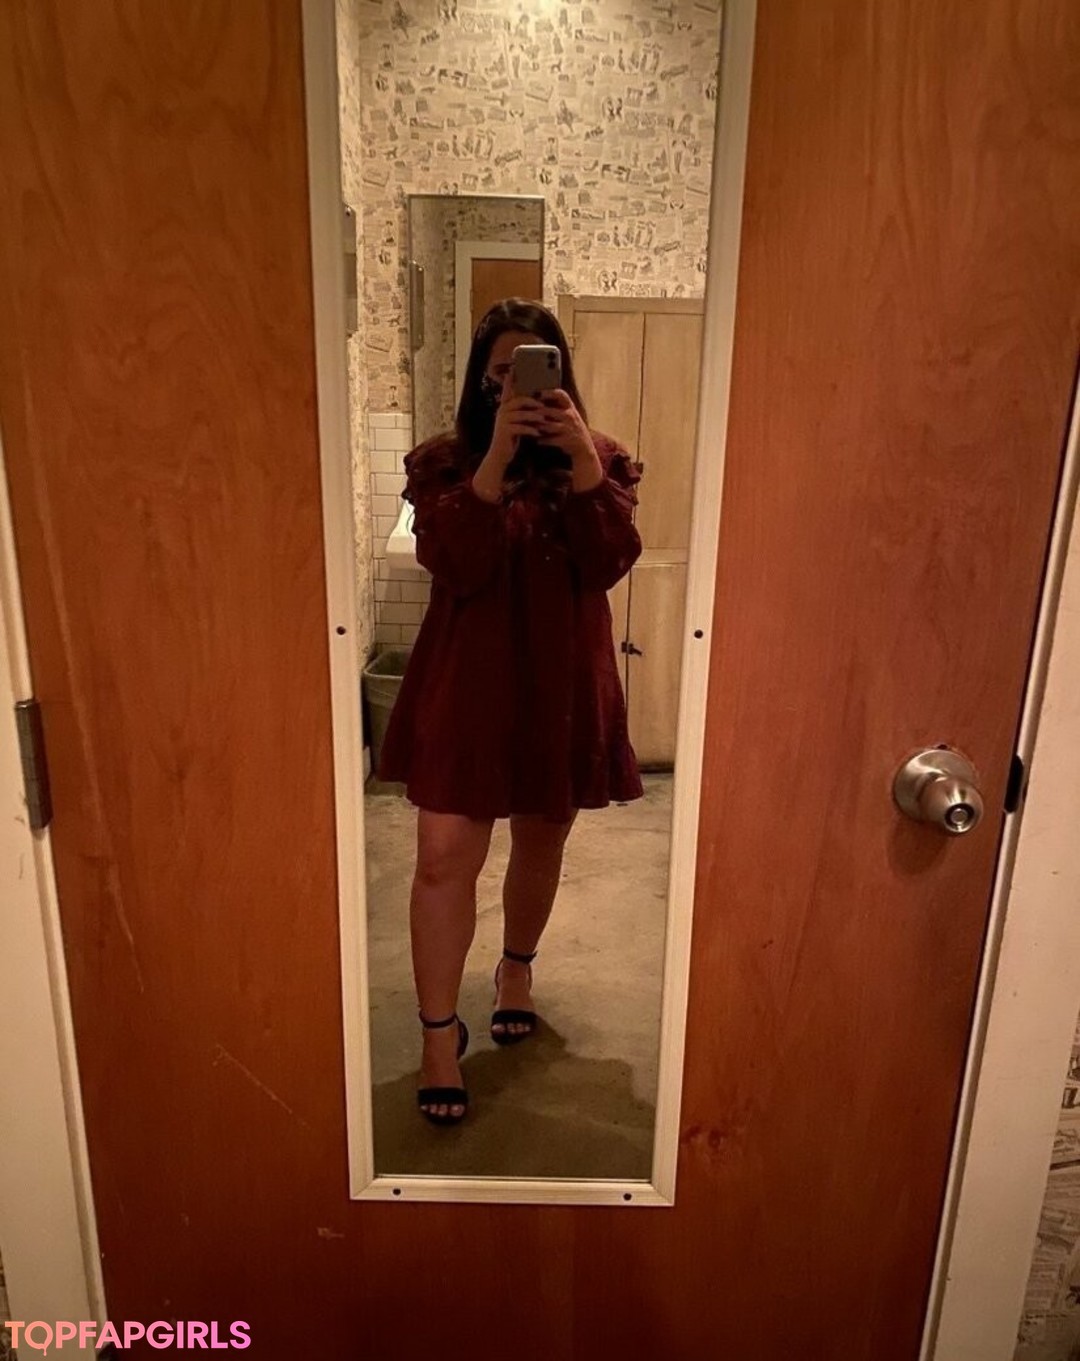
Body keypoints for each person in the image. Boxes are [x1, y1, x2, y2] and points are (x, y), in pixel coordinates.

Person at [378, 298, 644, 1125]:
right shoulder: (445, 463)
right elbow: (455, 562)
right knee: (440, 858)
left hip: (560, 684)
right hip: (467, 685)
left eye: (532, 371)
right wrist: (494, 459)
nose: (516, 388)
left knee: (541, 837)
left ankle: (516, 967)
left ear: (562, 373)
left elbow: (608, 563)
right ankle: (437, 1036)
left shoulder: (602, 458)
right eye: (500, 375)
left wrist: (584, 463)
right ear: (479, 381)